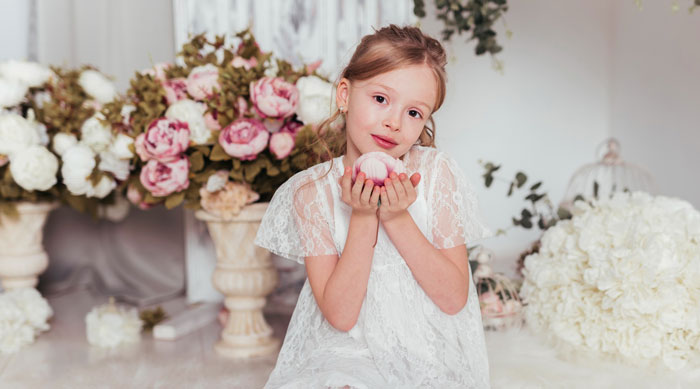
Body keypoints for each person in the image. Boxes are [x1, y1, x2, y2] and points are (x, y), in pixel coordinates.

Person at [255, 24, 492, 388]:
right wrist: (363, 215)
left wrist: (396, 216)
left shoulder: (434, 173)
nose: (393, 122)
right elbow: (341, 316)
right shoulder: (311, 192)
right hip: (348, 350)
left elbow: (453, 298)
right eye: (381, 99)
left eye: (414, 113)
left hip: (426, 348)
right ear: (346, 94)